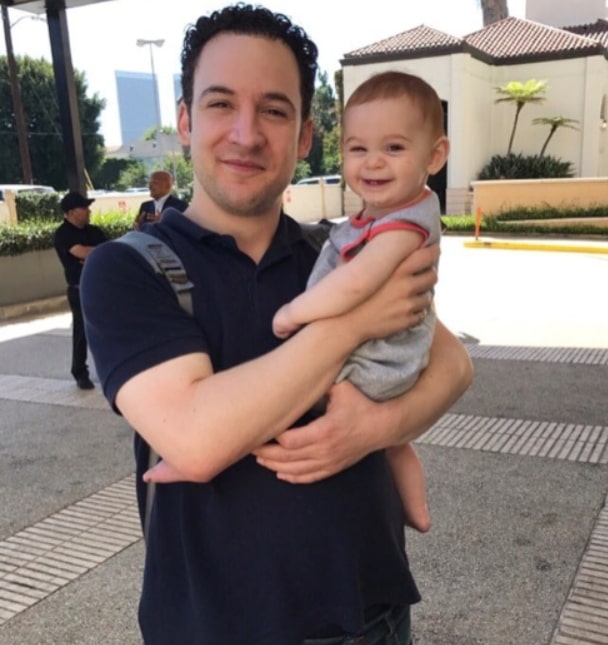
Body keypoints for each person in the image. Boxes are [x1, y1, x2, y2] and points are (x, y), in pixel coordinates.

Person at [81, 5, 473, 644]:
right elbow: (198, 438)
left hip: (372, 616)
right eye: (219, 104)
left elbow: (453, 364)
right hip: (213, 628)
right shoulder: (130, 270)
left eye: (273, 109)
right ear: (184, 120)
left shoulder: (337, 250)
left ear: (304, 136)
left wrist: (370, 429)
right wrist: (350, 327)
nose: (245, 133)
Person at [272, 71, 450, 534]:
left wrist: (294, 312)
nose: (373, 163)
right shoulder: (390, 211)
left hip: (377, 362)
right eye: (358, 148)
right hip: (393, 361)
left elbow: (355, 283)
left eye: (394, 148)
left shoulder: (403, 226)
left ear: (435, 155)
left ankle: (210, 450)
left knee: (285, 391)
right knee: (396, 444)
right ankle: (419, 512)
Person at [53, 191, 106, 389]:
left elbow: (108, 250)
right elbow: (81, 252)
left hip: (102, 286)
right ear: (72, 212)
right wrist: (93, 252)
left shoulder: (94, 231)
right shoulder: (63, 234)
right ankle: (80, 372)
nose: (88, 211)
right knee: (82, 332)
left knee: (108, 328)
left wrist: (91, 254)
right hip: (79, 288)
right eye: (84, 208)